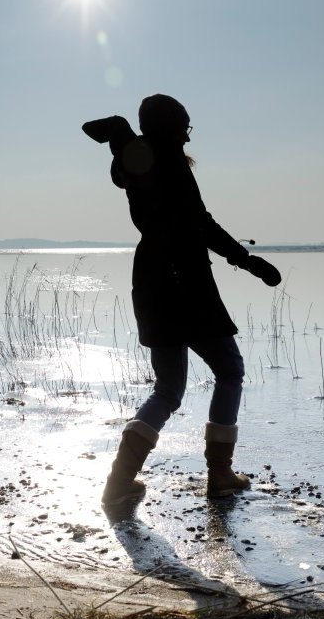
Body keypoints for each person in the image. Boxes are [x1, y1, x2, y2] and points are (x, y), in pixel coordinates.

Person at [83, 94, 282, 508]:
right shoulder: (165, 162)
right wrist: (245, 260)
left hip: (153, 279)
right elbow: (197, 221)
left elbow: (127, 168)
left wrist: (121, 136)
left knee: (170, 389)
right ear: (171, 128)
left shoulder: (143, 160)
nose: (188, 135)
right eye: (185, 127)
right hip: (183, 281)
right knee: (230, 369)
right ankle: (220, 475)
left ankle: (119, 482)